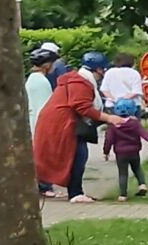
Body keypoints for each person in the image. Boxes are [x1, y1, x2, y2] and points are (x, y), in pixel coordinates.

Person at [33, 53, 111, 204]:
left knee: (75, 155)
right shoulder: (81, 82)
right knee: (77, 155)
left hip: (59, 122)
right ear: (99, 70)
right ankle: (75, 192)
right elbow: (82, 106)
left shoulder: (77, 79)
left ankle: (74, 191)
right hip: (64, 124)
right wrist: (109, 118)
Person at [101, 108, 148, 199]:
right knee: (137, 168)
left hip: (121, 153)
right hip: (134, 151)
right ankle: (142, 185)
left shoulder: (113, 125)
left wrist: (106, 152)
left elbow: (109, 140)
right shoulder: (134, 123)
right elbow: (143, 133)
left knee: (123, 173)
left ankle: (123, 195)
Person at [99, 52, 146, 117]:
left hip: (113, 106)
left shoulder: (109, 72)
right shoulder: (134, 73)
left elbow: (104, 90)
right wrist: (123, 100)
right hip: (132, 106)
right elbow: (136, 91)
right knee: (133, 126)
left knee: (115, 126)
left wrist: (116, 100)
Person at [26, 48, 57, 135]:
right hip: (40, 129)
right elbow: (45, 109)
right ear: (47, 65)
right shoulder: (41, 81)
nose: (54, 67)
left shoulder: (33, 78)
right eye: (53, 63)